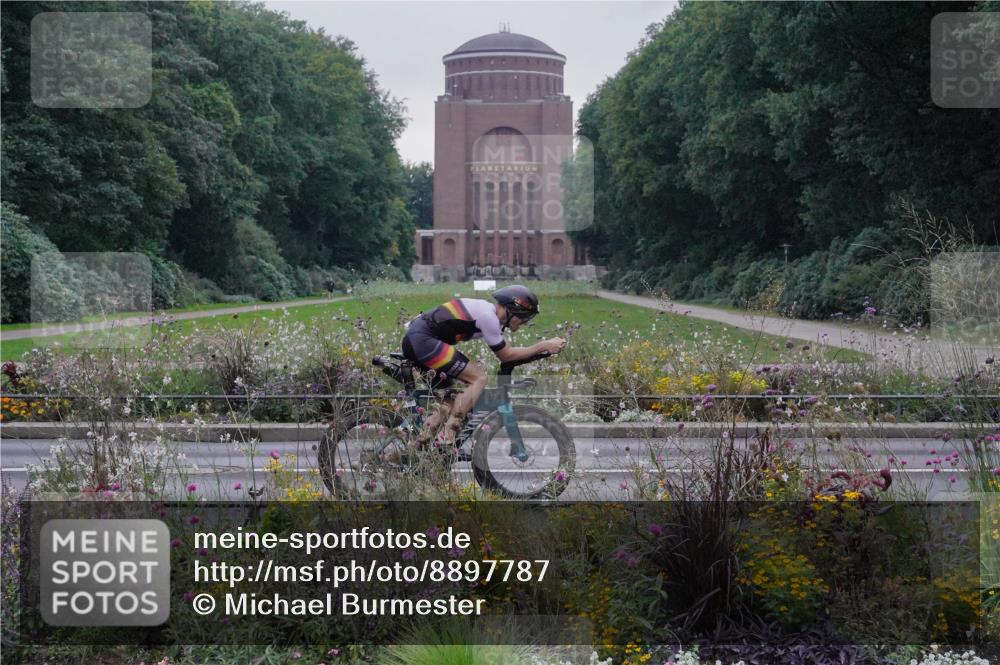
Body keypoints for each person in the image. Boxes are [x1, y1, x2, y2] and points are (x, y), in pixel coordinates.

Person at [400, 285, 566, 448]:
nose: (525, 322)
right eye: (525, 317)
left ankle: (420, 441)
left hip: (419, 339)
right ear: (512, 310)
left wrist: (540, 351)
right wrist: (543, 345)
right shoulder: (489, 317)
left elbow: (509, 353)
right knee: (478, 378)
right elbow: (506, 355)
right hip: (422, 340)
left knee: (452, 396)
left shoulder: (491, 317)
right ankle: (448, 434)